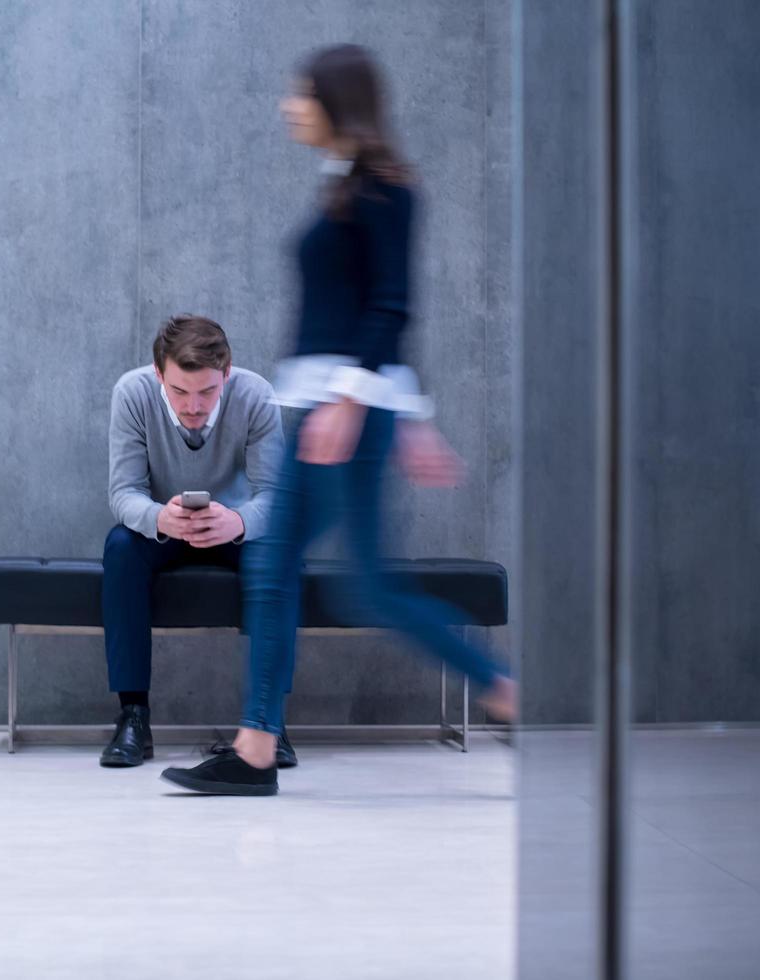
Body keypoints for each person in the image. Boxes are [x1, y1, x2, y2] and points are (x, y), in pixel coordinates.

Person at [161, 44, 517, 797]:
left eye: (301, 95)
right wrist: (406, 414)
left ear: (336, 101)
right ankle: (262, 742)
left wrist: (351, 402)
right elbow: (369, 312)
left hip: (339, 411)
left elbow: (392, 304)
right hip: (337, 406)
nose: (290, 107)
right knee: (358, 584)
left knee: (284, 568)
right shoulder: (345, 185)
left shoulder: (387, 189)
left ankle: (259, 747)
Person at [100, 314, 298, 768]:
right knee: (120, 548)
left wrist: (238, 522)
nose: (194, 406)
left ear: (226, 374)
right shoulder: (132, 393)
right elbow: (123, 492)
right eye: (180, 392)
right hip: (164, 525)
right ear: (158, 375)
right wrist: (159, 517)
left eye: (207, 392)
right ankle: (133, 716)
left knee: (279, 555)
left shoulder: (254, 394)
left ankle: (268, 722)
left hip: (234, 525)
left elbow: (275, 498)